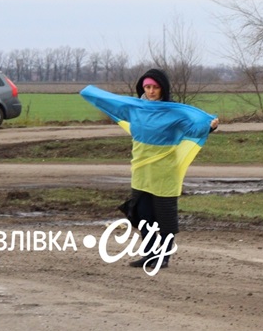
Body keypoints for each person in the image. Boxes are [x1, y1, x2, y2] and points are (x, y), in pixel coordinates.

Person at [80, 68, 219, 273]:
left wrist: (210, 127)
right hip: (141, 169)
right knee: (143, 215)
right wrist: (90, 93)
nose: (151, 91)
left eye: (155, 87)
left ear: (162, 88)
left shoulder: (173, 112)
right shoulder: (134, 109)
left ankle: (163, 256)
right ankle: (150, 254)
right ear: (142, 87)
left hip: (165, 171)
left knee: (164, 217)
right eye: (147, 87)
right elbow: (112, 103)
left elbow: (193, 129)